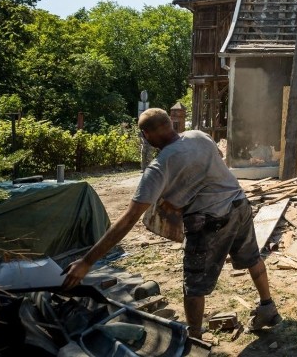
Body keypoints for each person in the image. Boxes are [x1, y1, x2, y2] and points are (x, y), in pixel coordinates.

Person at [62, 108, 282, 337]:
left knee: (194, 284)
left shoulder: (159, 167)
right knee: (252, 258)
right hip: (239, 204)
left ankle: (195, 338)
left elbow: (129, 219)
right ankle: (268, 306)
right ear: (171, 124)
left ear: (146, 136)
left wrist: (87, 262)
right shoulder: (198, 135)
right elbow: (215, 159)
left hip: (210, 221)